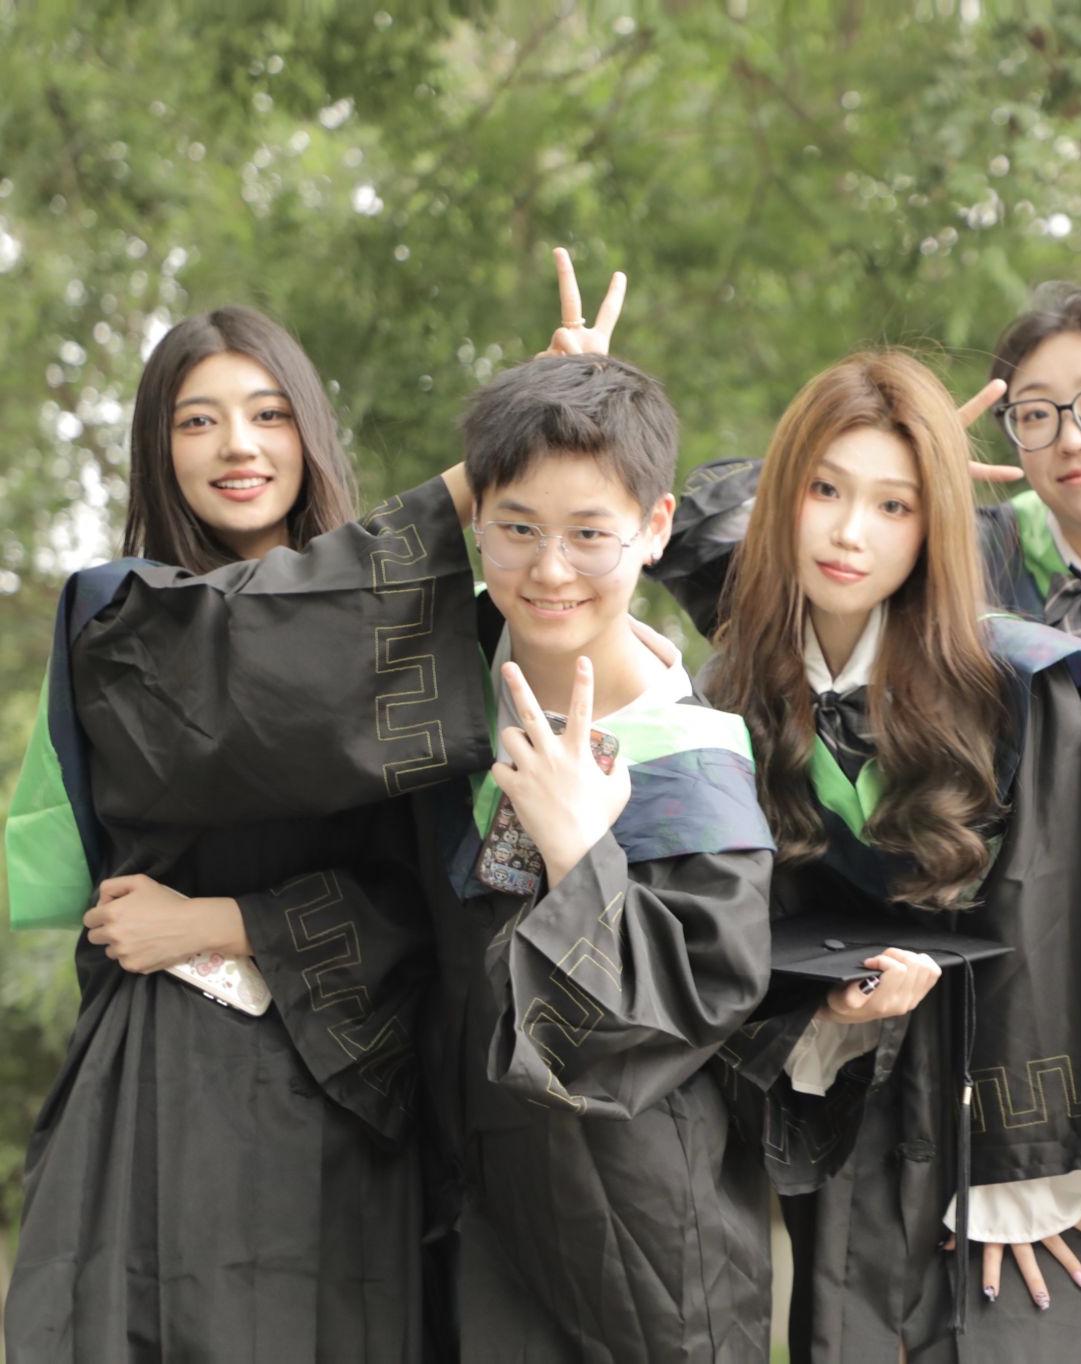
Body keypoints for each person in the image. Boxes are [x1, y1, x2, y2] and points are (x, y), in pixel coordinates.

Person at [702, 351, 1081, 1363]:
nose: (850, 533)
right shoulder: (733, 695)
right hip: (851, 1096)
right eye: (825, 490)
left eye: (895, 504)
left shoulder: (1014, 683)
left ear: (936, 527)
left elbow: (1065, 910)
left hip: (1010, 1107)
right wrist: (820, 1021)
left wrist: (1025, 1166)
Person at [3, 305, 462, 1360]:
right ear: (158, 450)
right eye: (197, 421)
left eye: (267, 414)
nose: (238, 447)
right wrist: (467, 484)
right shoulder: (123, 620)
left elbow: (422, 896)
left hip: (348, 1082)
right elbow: (246, 660)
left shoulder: (408, 649)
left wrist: (227, 919)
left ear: (309, 431)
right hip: (173, 1071)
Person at [437, 352, 778, 1361]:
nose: (550, 570)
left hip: (638, 1242)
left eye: (590, 533)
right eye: (518, 529)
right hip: (454, 1216)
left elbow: (696, 999)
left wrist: (580, 848)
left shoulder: (692, 755)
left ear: (655, 527)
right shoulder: (441, 701)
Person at [651, 282, 1081, 856]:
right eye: (1037, 413)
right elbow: (713, 555)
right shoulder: (955, 550)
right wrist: (894, 457)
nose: (1073, 437)